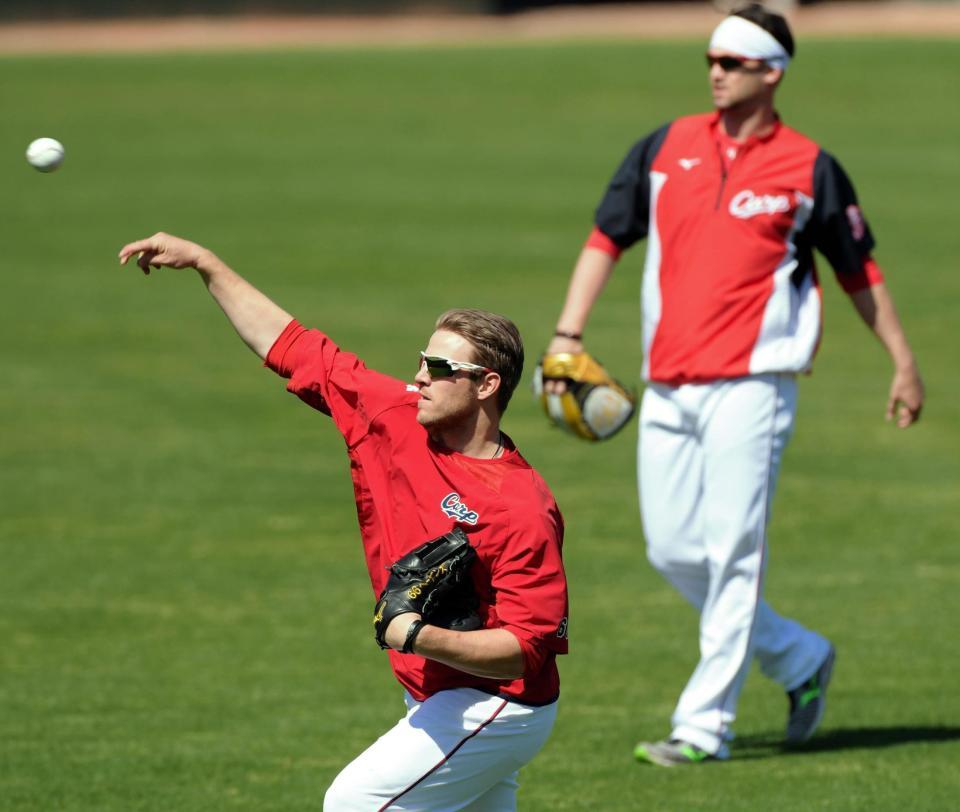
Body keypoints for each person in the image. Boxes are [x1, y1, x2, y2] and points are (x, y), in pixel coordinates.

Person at [544, 3, 924, 765]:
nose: (715, 71)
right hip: (669, 383)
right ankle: (796, 656)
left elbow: (859, 271)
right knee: (671, 549)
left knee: (733, 552)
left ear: (771, 72)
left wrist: (903, 361)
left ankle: (703, 728)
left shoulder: (810, 167)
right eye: (711, 60)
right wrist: (567, 332)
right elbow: (605, 237)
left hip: (755, 385)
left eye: (731, 61)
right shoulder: (664, 146)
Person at [118, 232, 569, 808]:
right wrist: (207, 264)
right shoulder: (396, 416)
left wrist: (416, 635)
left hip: (499, 705)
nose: (422, 375)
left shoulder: (520, 506)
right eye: (421, 360)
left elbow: (528, 647)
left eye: (440, 365)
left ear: (486, 386)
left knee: (353, 803)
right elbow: (296, 348)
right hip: (439, 692)